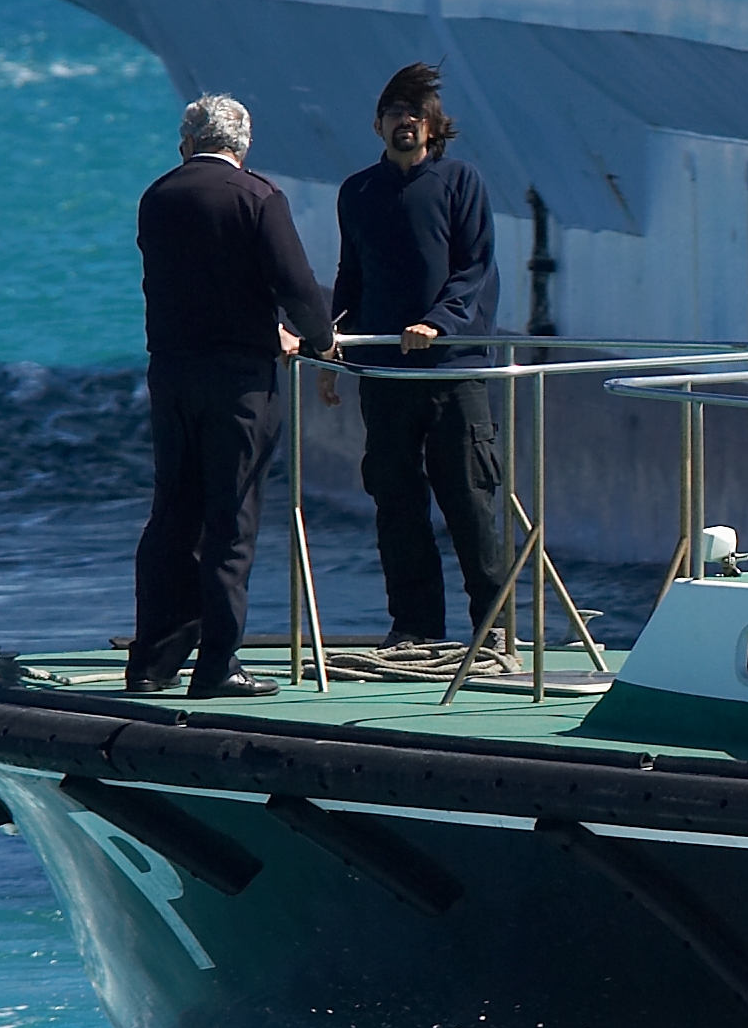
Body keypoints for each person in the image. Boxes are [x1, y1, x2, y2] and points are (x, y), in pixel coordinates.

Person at [125, 94, 335, 696]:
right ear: (243, 145)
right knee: (231, 520)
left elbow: (182, 280)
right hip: (239, 382)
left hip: (171, 373)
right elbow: (293, 283)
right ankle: (218, 666)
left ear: (186, 143)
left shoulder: (157, 197)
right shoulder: (259, 197)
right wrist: (318, 339)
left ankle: (153, 663)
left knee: (172, 514)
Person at [334, 60, 511, 650]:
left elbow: (476, 272)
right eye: (394, 114)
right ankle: (414, 628)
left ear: (434, 128)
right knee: (395, 504)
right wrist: (331, 342)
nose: (404, 122)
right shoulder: (357, 191)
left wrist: (438, 324)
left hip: (451, 375)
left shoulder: (461, 183)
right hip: (382, 374)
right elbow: (350, 278)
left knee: (469, 503)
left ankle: (494, 631)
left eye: (416, 115)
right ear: (377, 124)